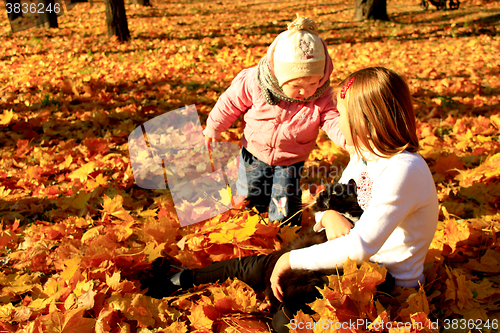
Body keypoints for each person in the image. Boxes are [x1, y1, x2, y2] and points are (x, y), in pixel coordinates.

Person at [143, 67, 439, 333]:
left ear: (365, 120)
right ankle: (182, 279)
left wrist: (291, 259)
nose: (338, 122)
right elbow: (330, 201)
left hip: (381, 287)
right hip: (350, 265)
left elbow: (361, 246)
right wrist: (328, 216)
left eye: (343, 116)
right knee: (263, 265)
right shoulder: (365, 156)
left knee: (288, 318)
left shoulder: (405, 169)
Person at [203, 15, 345, 226]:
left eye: (313, 82)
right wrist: (214, 127)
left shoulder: (322, 96)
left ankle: (281, 229)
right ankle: (252, 223)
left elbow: (332, 120)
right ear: (279, 75)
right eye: (296, 85)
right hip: (254, 151)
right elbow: (230, 102)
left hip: (290, 159)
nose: (304, 91)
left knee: (283, 199)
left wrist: (347, 140)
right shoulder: (256, 82)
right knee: (250, 191)